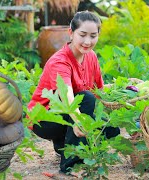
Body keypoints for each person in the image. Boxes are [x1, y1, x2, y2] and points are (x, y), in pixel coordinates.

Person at [27, 11, 120, 174]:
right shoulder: (60, 61)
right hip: (44, 119)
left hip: (66, 114)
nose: (87, 41)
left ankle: (62, 145)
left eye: (93, 36)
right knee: (85, 98)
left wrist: (123, 92)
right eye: (82, 35)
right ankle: (71, 163)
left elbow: (99, 91)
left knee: (111, 128)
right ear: (71, 33)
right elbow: (67, 95)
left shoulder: (91, 56)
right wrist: (77, 120)